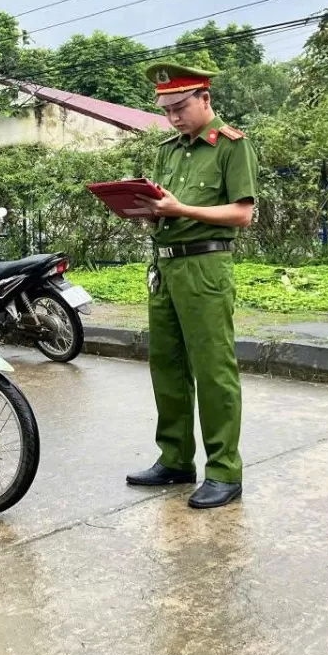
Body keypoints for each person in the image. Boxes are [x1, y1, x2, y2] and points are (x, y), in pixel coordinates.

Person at [127, 63, 258, 510]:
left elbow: (242, 214)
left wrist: (181, 208)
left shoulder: (231, 147)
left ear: (205, 98)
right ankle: (176, 459)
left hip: (205, 266)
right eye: (166, 111)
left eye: (181, 107)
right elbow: (166, 206)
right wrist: (145, 210)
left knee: (213, 370)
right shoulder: (170, 149)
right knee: (166, 366)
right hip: (164, 268)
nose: (174, 117)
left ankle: (224, 471)